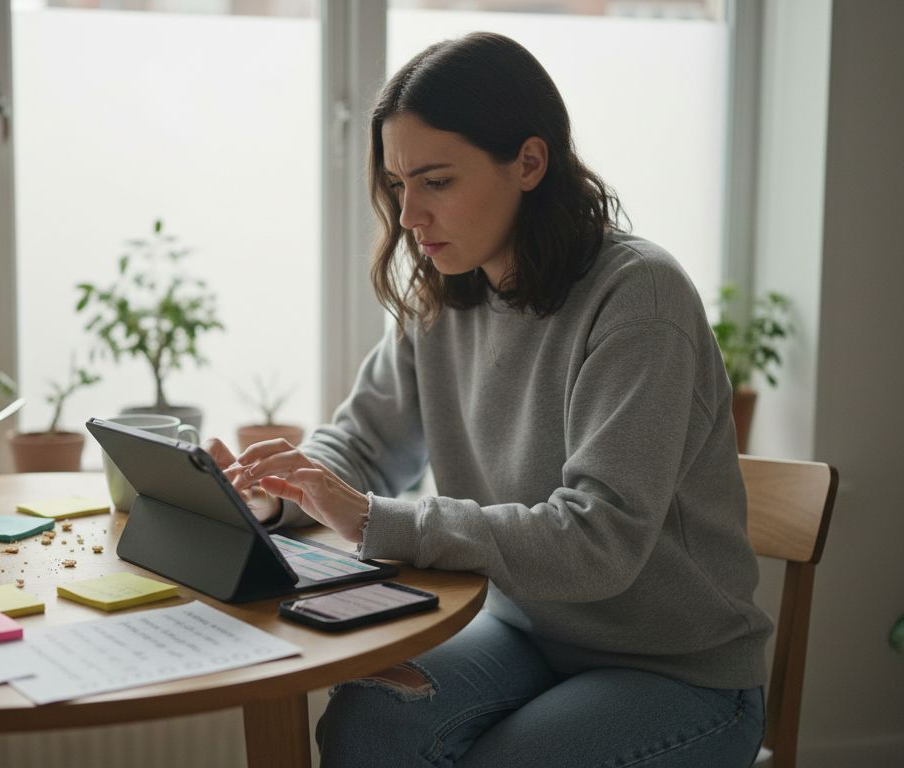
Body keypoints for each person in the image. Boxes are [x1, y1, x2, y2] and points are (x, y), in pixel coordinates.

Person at [202, 31, 770, 768]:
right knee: (365, 725)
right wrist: (276, 493)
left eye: (436, 181)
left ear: (529, 163)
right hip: (523, 630)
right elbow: (364, 445)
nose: (408, 216)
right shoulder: (444, 295)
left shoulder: (638, 300)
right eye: (399, 184)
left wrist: (377, 520)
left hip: (679, 672)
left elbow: (600, 542)